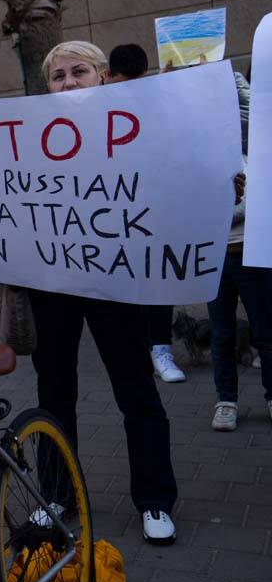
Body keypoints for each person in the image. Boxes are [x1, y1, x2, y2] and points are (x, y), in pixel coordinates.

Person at [33, 42, 179, 545]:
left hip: (115, 280)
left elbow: (172, 179)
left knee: (136, 388)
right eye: (58, 76)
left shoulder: (134, 130)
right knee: (54, 393)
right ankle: (57, 494)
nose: (69, 82)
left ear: (103, 76)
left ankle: (155, 499)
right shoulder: (28, 138)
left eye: (79, 72)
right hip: (53, 283)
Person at [105, 44, 188, 383]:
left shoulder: (156, 103)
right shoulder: (92, 109)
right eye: (125, 84)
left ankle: (160, 348)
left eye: (139, 83)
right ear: (108, 77)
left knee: (158, 278)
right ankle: (137, 347)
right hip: (111, 214)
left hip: (152, 210)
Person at [208, 66, 270, 431]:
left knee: (266, 330)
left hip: (253, 254)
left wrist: (218, 70)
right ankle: (226, 401)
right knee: (221, 333)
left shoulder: (254, 146)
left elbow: (248, 102)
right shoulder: (198, 153)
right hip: (215, 259)